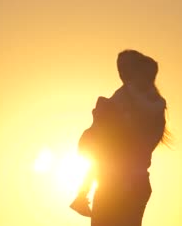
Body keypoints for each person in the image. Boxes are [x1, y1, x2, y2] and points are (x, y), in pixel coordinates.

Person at [75, 50, 168, 226]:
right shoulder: (155, 108)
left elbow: (100, 151)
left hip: (114, 185)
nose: (119, 73)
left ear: (128, 73)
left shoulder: (117, 104)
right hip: (139, 185)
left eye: (122, 68)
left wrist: (83, 191)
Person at [70, 50, 166, 217]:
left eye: (126, 68)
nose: (121, 73)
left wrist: (104, 114)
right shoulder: (149, 102)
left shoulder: (131, 99)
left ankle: (81, 196)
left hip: (119, 183)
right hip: (124, 181)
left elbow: (110, 144)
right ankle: (81, 196)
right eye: (120, 68)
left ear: (137, 70)